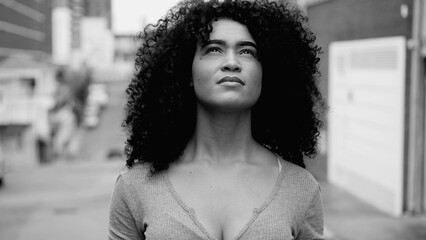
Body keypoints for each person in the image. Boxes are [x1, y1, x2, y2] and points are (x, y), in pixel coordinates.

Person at [108, 0, 326, 239]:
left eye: (247, 51)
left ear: (267, 74)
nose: (232, 62)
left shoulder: (301, 189)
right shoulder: (134, 187)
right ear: (185, 71)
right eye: (213, 49)